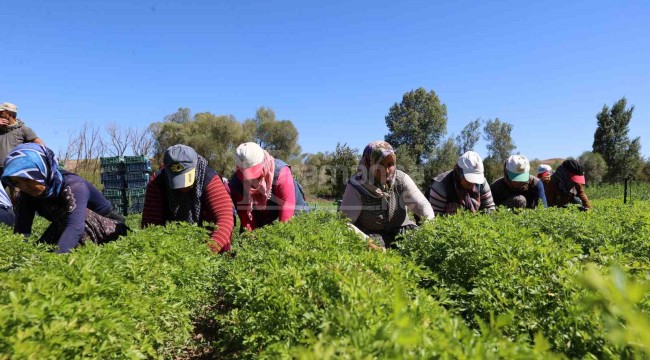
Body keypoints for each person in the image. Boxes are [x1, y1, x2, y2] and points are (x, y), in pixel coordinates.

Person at [1, 144, 127, 253]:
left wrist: (59, 260)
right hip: (66, 223)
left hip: (107, 229)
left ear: (42, 171)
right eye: (16, 182)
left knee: (81, 216)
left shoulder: (74, 186)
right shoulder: (26, 195)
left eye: (27, 179)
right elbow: (22, 230)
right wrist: (20, 256)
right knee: (42, 252)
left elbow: (75, 226)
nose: (23, 187)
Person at [339, 141, 434, 248]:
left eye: (390, 164)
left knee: (417, 242)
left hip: (400, 230)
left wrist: (428, 228)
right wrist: (369, 243)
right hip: (370, 235)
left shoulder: (401, 180)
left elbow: (423, 205)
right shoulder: (357, 185)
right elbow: (345, 223)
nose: (387, 170)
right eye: (380, 165)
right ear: (368, 164)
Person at [141, 144, 234, 252]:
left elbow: (225, 220)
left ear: (195, 167)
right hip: (171, 246)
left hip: (210, 244)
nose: (183, 186)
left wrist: (206, 254)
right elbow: (150, 226)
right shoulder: (157, 182)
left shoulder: (209, 179)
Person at [229, 142, 309, 231]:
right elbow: (247, 221)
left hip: (291, 208)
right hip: (262, 214)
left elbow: (287, 218)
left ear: (263, 163)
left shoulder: (281, 173)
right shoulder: (236, 184)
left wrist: (281, 239)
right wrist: (251, 238)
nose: (251, 181)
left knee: (298, 229)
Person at [427, 151, 496, 216]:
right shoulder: (441, 185)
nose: (473, 183)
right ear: (459, 172)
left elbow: (490, 210)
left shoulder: (482, 183)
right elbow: (435, 217)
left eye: (476, 179)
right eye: (469, 179)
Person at [0, 102, 45, 177]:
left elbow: (41, 146)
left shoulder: (23, 130)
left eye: (1, 113)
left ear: (9, 115)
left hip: (14, 171)